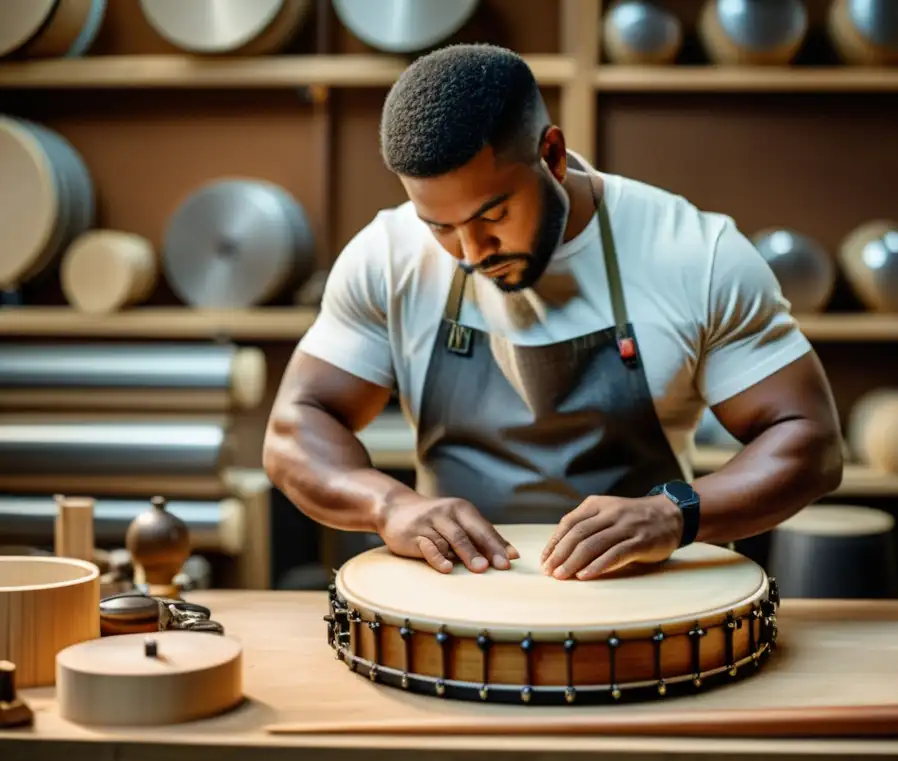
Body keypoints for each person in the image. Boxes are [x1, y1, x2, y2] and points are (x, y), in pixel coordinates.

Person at [263, 43, 843, 582]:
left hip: (645, 602)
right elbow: (296, 426)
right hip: (460, 598)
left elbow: (809, 441)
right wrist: (387, 504)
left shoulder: (696, 254)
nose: (469, 254)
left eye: (492, 217)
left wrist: (676, 513)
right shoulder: (388, 255)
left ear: (553, 155)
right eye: (440, 227)